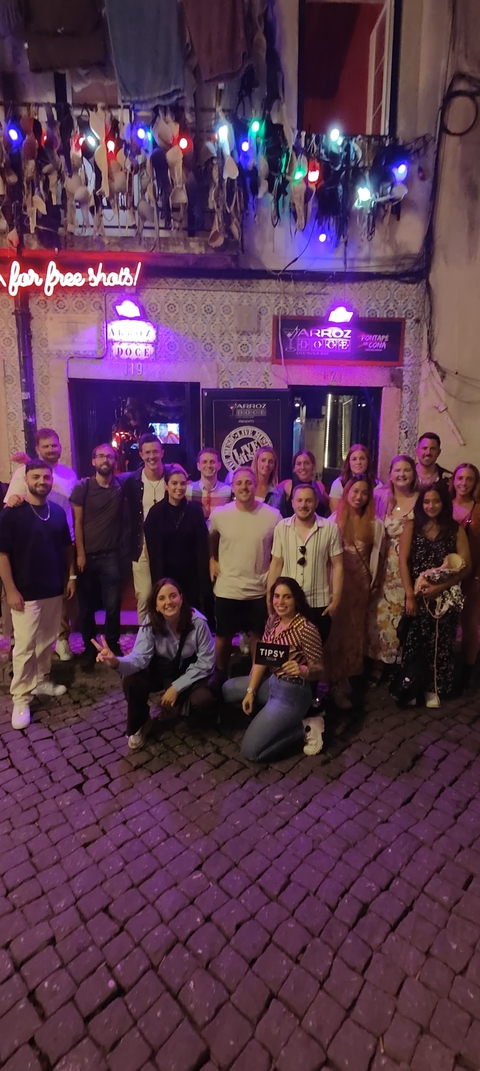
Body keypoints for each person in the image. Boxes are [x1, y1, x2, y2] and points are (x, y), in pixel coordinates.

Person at [92, 577, 216, 751]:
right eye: (162, 598)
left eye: (173, 596)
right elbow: (139, 658)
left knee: (204, 700)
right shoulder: (150, 624)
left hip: (188, 673)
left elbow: (206, 662)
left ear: (181, 597)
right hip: (161, 671)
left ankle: (181, 709)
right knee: (131, 679)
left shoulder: (198, 623)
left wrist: (176, 688)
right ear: (156, 605)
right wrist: (115, 661)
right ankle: (141, 721)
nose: (169, 602)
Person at [0, 460, 75, 730]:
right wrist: (10, 590)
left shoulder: (56, 512)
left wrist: (70, 578)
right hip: (25, 592)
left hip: (53, 588)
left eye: (46, 477)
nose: (42, 481)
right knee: (24, 646)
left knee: (46, 641)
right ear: (26, 479)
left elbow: (67, 548)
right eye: (36, 477)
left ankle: (42, 680)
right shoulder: (12, 513)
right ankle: (21, 697)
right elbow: (2, 555)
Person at [222, 577, 325, 760]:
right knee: (227, 690)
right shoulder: (273, 621)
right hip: (272, 683)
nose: (280, 602)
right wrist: (251, 691)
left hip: (292, 692)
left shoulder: (306, 629)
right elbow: (262, 657)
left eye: (287, 597)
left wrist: (303, 670)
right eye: (276, 596)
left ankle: (306, 726)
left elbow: (319, 669)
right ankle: (270, 720)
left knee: (251, 752)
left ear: (296, 600)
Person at [6, 428, 77, 660]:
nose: (51, 450)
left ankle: (62, 639)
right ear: (37, 449)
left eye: (54, 445)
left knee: (60, 598)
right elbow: (11, 504)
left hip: (61, 537)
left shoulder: (69, 474)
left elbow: (73, 507)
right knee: (29, 609)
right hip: (30, 542)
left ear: (60, 447)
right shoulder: (23, 472)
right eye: (45, 446)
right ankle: (22, 652)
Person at [399, 482, 470, 707]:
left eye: (436, 501)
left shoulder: (455, 529)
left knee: (440, 642)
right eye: (427, 501)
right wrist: (410, 595)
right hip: (416, 595)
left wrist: (440, 588)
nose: (431, 505)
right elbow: (403, 561)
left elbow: (466, 565)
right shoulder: (412, 526)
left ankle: (433, 688)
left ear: (444, 503)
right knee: (414, 642)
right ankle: (411, 686)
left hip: (444, 598)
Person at [209, 467, 281, 675]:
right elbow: (212, 536)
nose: (244, 487)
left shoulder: (273, 516)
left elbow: (278, 551)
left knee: (260, 636)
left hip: (259, 589)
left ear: (256, 485)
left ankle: (257, 678)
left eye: (248, 482)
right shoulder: (220, 515)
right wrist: (212, 559)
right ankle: (220, 675)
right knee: (223, 635)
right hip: (227, 588)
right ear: (232, 487)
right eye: (239, 483)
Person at [325, 476, 384, 709]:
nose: (359, 496)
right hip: (337, 585)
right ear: (347, 492)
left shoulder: (375, 524)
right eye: (355, 491)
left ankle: (346, 676)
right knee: (336, 633)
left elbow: (377, 557)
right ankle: (334, 680)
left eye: (364, 493)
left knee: (354, 632)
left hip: (360, 586)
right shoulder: (333, 522)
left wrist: (374, 582)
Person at [71, 443, 129, 670]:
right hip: (87, 555)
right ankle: (88, 647)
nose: (106, 459)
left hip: (112, 556)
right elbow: (77, 522)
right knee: (86, 608)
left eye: (110, 456)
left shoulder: (120, 485)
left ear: (115, 462)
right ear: (93, 461)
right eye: (101, 456)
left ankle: (112, 644)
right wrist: (80, 553)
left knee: (113, 605)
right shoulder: (83, 487)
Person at [266, 483, 343, 644]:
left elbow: (337, 565)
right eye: (299, 500)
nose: (303, 505)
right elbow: (276, 564)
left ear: (316, 503)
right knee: (287, 651)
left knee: (315, 655)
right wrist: (269, 596)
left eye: (308, 501)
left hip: (318, 603)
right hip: (287, 603)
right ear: (292, 503)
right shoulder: (282, 527)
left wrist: (336, 599)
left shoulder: (330, 528)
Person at [367, 455, 419, 684]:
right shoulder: (381, 498)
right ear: (390, 474)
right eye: (397, 470)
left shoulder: (420, 500)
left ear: (413, 474)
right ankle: (376, 663)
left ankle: (394, 664)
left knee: (399, 617)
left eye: (406, 470)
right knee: (377, 617)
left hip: (405, 568)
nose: (402, 474)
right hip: (382, 567)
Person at [144, 465, 212, 622]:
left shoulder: (195, 510)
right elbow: (153, 552)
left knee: (190, 618)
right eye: (174, 483)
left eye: (182, 483)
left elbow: (201, 547)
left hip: (191, 575)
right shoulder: (155, 513)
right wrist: (158, 582)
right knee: (167, 617)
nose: (179, 488)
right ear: (166, 485)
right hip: (166, 574)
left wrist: (204, 582)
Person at [124, 433, 168, 623]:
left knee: (167, 592)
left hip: (167, 545)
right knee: (144, 595)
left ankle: (168, 640)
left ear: (162, 452)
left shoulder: (172, 476)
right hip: (140, 545)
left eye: (155, 452)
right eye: (147, 452)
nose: (152, 456)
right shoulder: (132, 481)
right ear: (141, 454)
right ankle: (145, 641)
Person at [451, 464, 480, 692]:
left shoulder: (478, 510)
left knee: (469, 623)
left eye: (469, 479)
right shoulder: (444, 504)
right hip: (448, 573)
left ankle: (467, 672)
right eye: (460, 477)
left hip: (473, 572)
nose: (464, 482)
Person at [277, 451, 329, 518]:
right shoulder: (287, 485)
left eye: (306, 463)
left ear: (313, 466)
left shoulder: (319, 486)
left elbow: (333, 507)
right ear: (294, 468)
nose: (302, 467)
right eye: (298, 464)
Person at [329, 443, 378, 513]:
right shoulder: (338, 484)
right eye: (354, 459)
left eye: (362, 459)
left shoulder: (377, 485)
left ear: (368, 462)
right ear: (348, 463)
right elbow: (335, 512)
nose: (358, 462)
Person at [186, 447, 231, 521]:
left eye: (212, 462)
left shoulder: (228, 491)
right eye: (204, 462)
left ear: (219, 466)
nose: (209, 465)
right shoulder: (188, 490)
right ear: (198, 466)